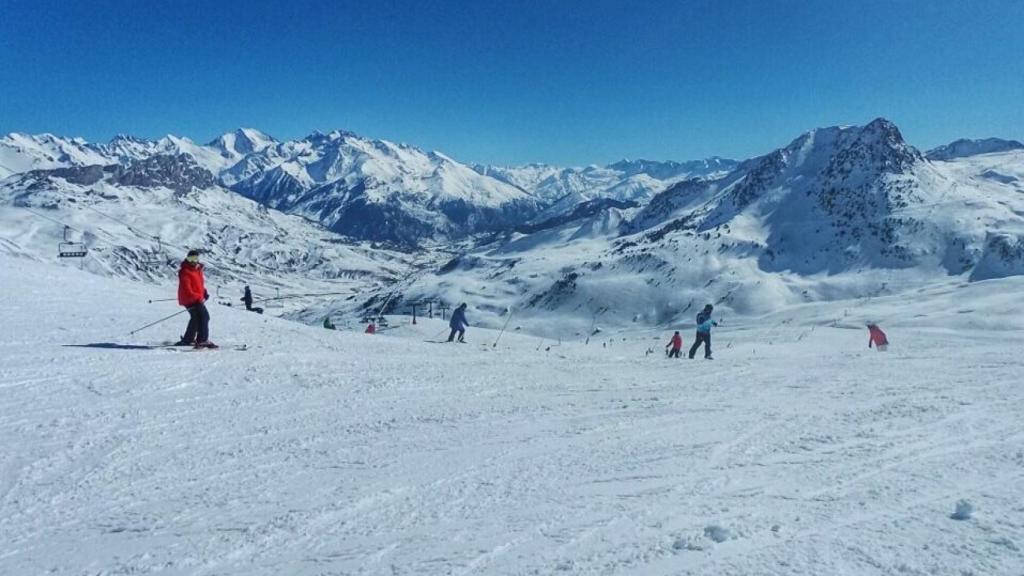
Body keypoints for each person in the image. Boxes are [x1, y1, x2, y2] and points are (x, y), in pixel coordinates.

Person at [177, 249, 216, 348]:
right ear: (187, 259)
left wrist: (204, 292)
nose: (193, 261)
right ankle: (202, 340)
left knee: (195, 318)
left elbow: (198, 284)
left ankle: (188, 339)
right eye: (191, 258)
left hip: (195, 298)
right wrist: (198, 297)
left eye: (195, 258)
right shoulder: (185, 271)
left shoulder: (197, 270)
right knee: (204, 317)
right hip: (190, 299)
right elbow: (187, 288)